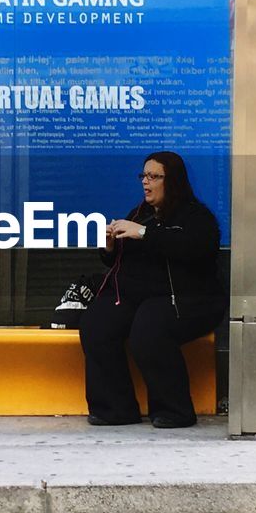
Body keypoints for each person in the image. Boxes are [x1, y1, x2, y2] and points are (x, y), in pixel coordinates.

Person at [79, 152, 226, 429]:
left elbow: (193, 249)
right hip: (140, 296)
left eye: (154, 176)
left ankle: (175, 410)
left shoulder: (196, 216)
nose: (146, 182)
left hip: (191, 299)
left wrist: (144, 234)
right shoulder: (139, 214)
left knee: (150, 326)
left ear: (172, 181)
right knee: (96, 323)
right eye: (143, 176)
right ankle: (114, 409)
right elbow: (122, 260)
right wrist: (110, 246)